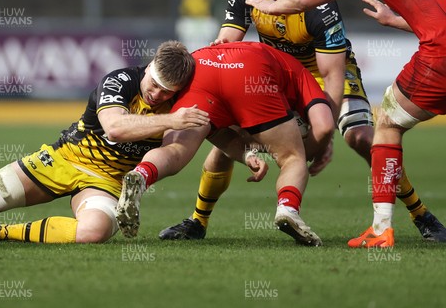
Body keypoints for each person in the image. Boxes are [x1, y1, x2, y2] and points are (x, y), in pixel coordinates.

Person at [160, 0, 444, 243]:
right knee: (227, 137)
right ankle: (197, 221)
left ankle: (422, 216)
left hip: (329, 76)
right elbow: (226, 44)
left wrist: (325, 136)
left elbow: (333, 77)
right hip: (280, 78)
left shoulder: (318, 5)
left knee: (364, 139)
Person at [0, 40, 210, 244]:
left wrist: (248, 152)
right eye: (155, 83)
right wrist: (171, 120)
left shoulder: (181, 102)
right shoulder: (121, 79)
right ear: (148, 66)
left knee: (93, 233)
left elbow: (205, 138)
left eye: (168, 91)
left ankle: (0, 233)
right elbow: (115, 128)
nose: (158, 94)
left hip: (109, 182)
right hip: (63, 160)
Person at [246, 0, 446, 247]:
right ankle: (197, 218)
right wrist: (396, 21)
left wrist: (270, 7)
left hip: (431, 61)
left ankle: (384, 228)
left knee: (386, 128)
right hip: (293, 77)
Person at [116, 41, 336, 246]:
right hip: (253, 77)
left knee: (175, 150)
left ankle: (143, 175)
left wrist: (246, 151)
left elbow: (217, 132)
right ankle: (288, 208)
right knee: (291, 158)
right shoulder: (301, 73)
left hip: (200, 74)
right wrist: (317, 149)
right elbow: (324, 125)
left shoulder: (199, 58)